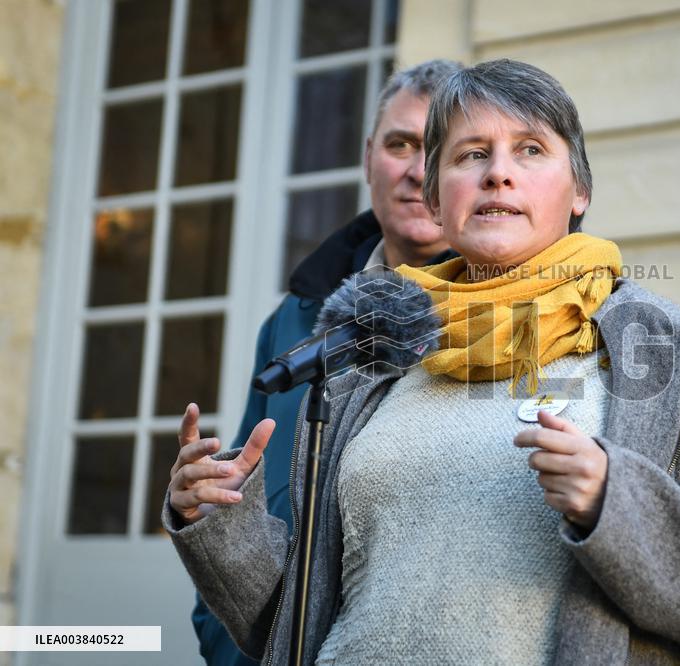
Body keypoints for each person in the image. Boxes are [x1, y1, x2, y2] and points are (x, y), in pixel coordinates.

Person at [166, 59, 680, 665]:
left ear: (580, 190)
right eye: (471, 155)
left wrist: (619, 500)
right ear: (435, 200)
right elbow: (298, 623)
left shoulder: (674, 351)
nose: (498, 174)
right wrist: (218, 522)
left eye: (531, 150)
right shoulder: (372, 353)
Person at [185, 58, 462, 666]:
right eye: (400, 144)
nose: (418, 171)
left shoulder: (518, 320)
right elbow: (249, 491)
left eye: (441, 149)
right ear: (368, 158)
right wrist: (203, 506)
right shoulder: (294, 317)